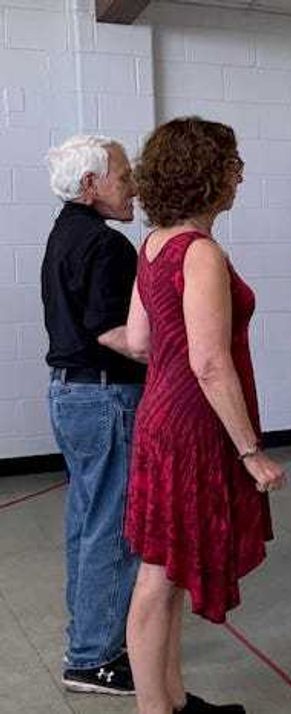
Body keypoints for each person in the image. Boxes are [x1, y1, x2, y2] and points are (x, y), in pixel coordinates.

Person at [124, 117, 286, 714]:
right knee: (157, 578)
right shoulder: (200, 253)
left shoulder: (154, 245)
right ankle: (153, 710)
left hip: (160, 416)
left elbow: (140, 340)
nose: (239, 176)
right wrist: (251, 452)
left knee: (163, 570)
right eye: (232, 164)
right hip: (191, 425)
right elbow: (211, 362)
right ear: (208, 174)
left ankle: (171, 701)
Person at [42, 135, 145, 696]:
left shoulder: (64, 232)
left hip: (70, 395)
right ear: (90, 186)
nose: (132, 186)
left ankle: (88, 635)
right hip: (104, 398)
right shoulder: (107, 246)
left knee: (87, 522)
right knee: (111, 527)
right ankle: (93, 658)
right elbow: (114, 334)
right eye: (124, 176)